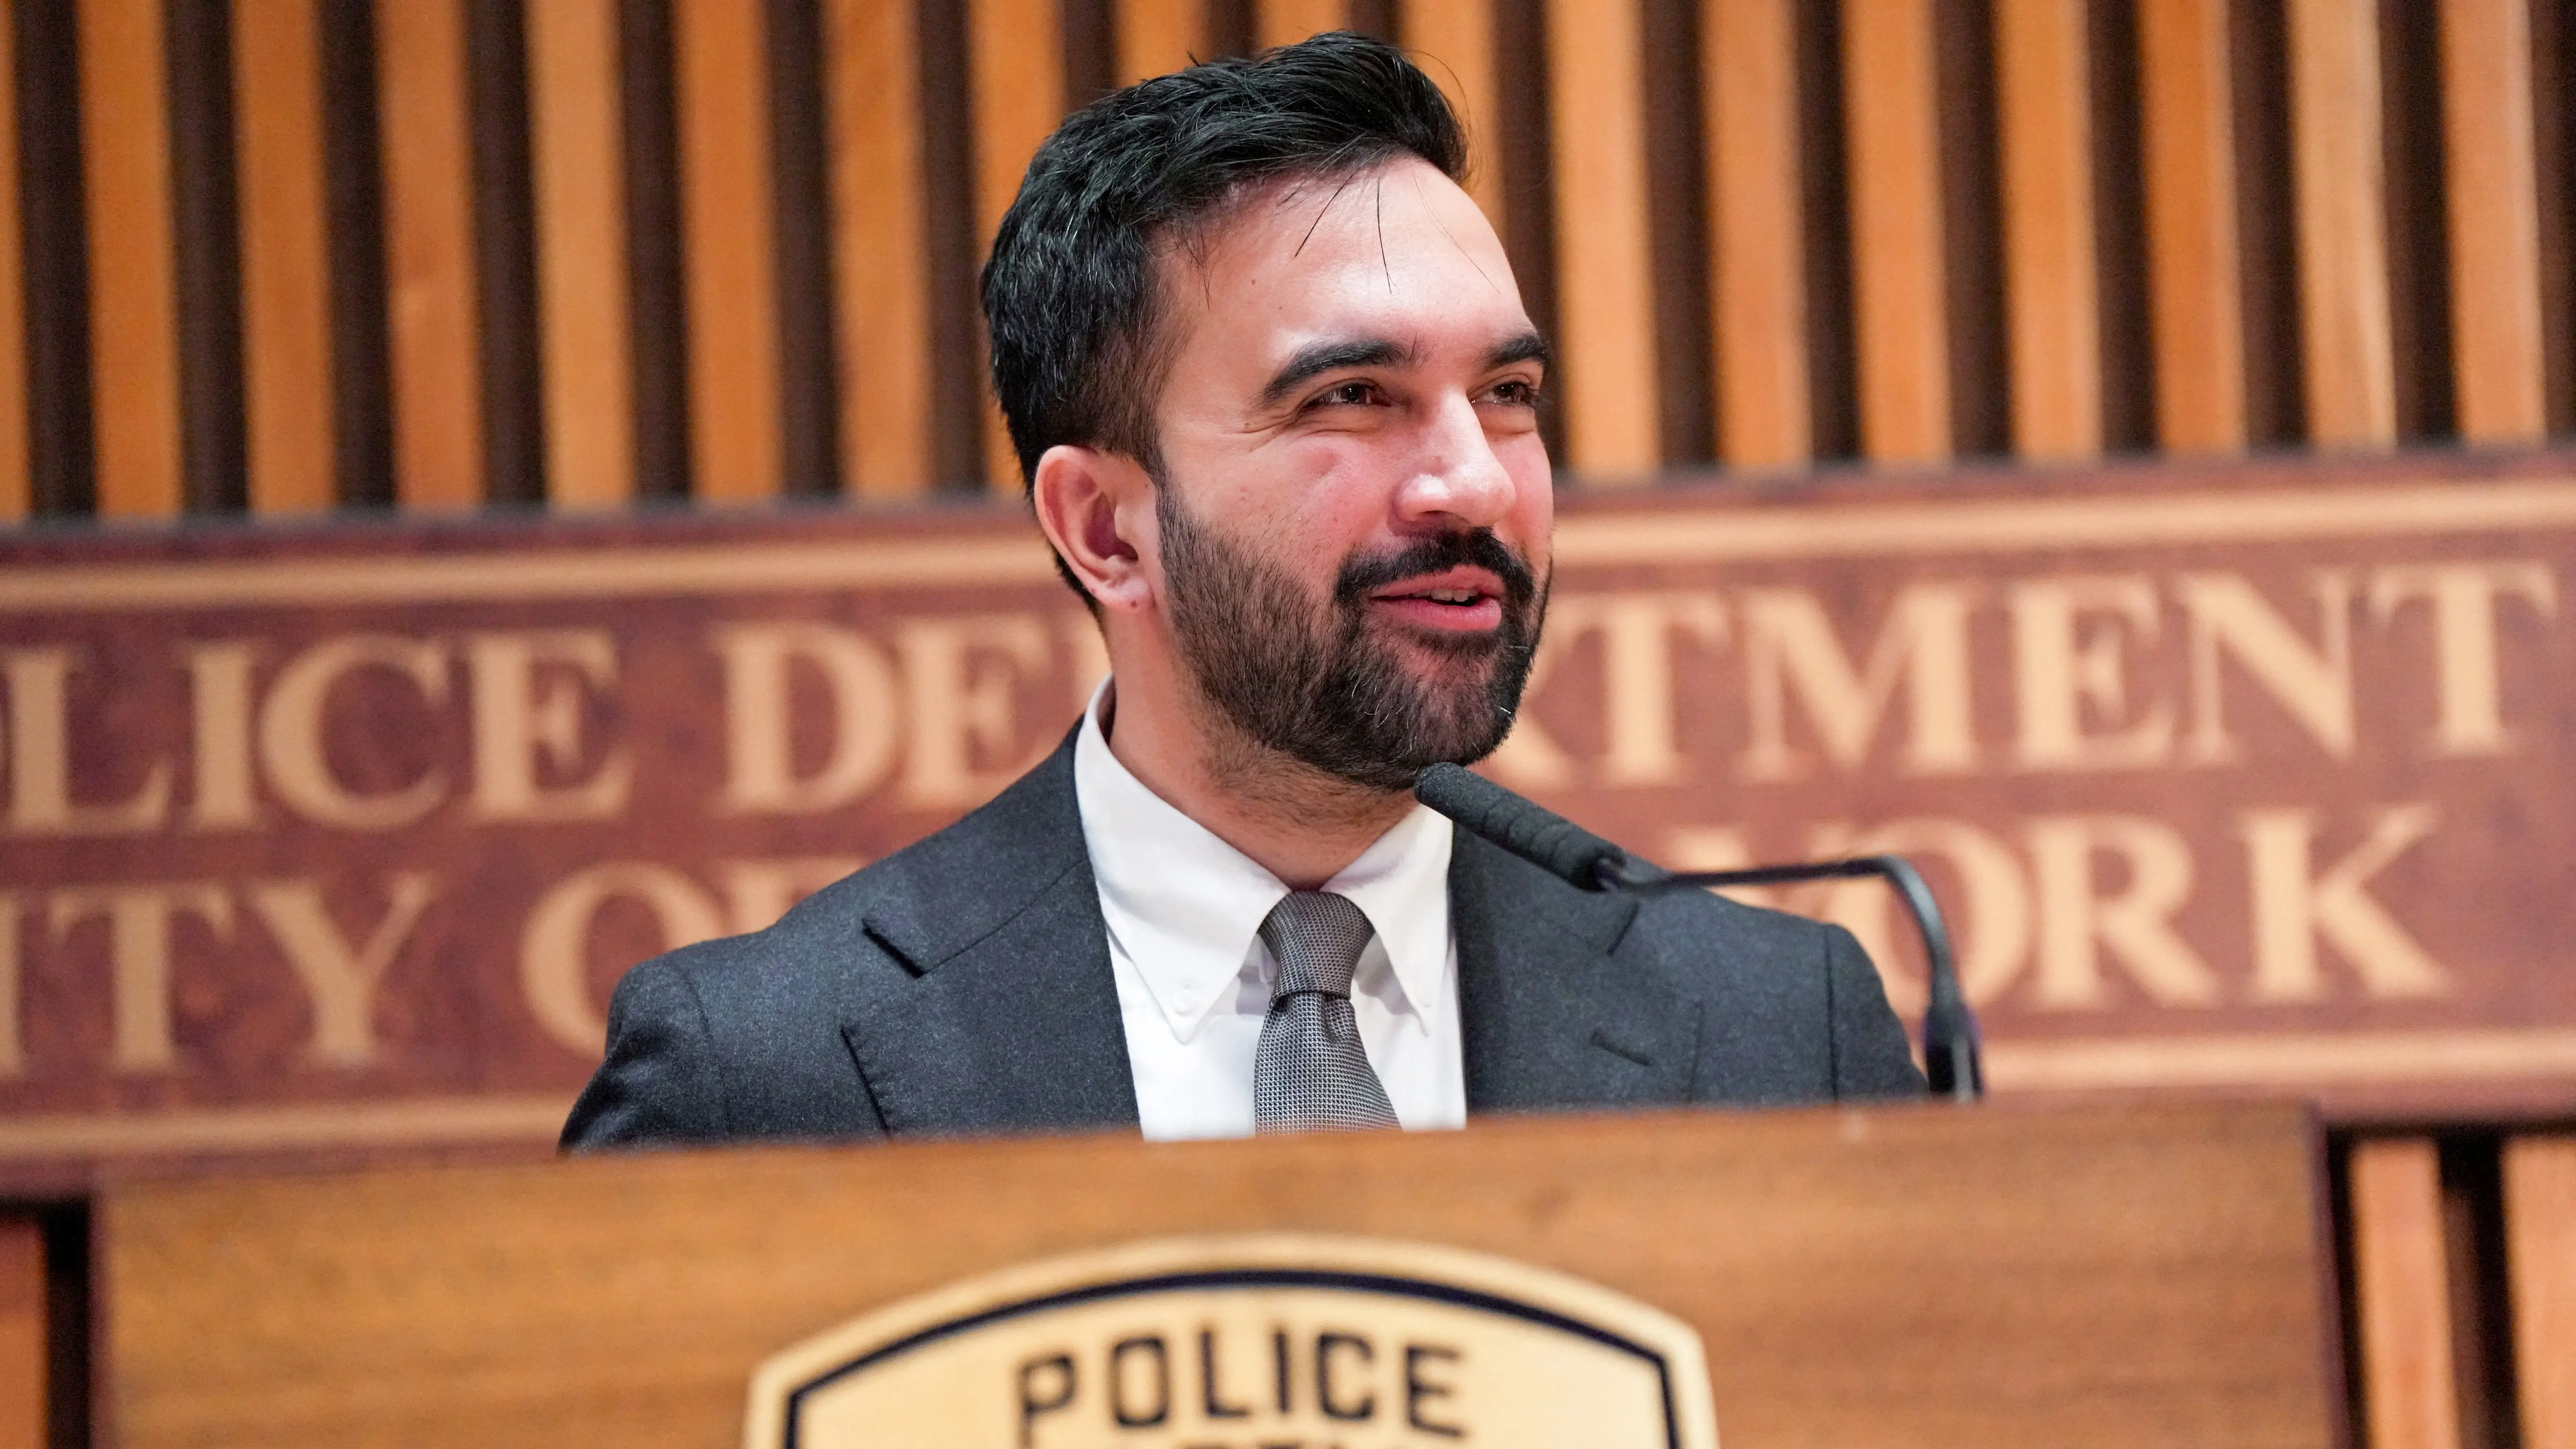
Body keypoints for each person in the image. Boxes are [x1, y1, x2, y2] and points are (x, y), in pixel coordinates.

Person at [563, 32, 1922, 1150]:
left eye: (1506, 396)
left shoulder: (1781, 1032)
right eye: (1349, 398)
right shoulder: (758, 1074)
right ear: (1103, 527)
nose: (1474, 484)